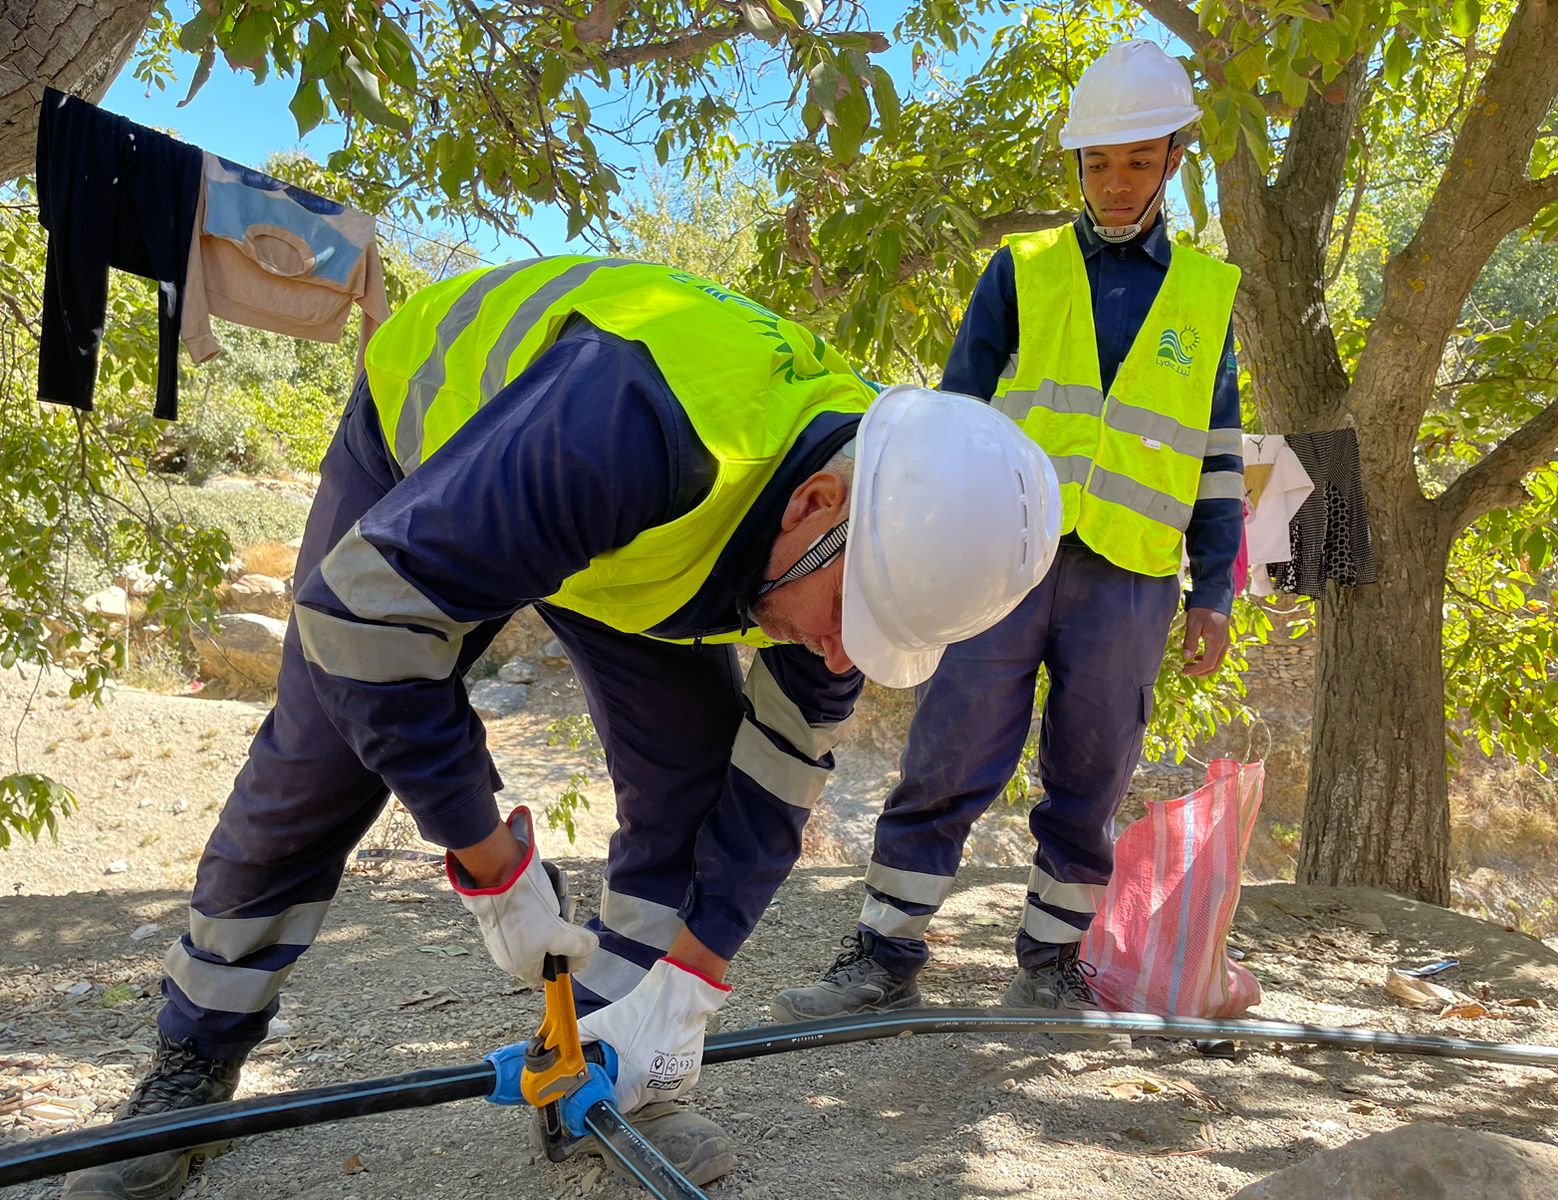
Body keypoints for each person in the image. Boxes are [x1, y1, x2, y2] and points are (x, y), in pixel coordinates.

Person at [62, 257, 1061, 1199]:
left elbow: (778, 772)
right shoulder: (629, 432)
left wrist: (694, 980)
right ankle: (194, 1056)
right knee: (318, 764)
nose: (844, 659)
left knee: (698, 778)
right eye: (850, 620)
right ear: (813, 503)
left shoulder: (869, 526)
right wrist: (491, 864)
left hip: (644, 534)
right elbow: (358, 624)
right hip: (448, 447)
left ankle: (606, 1072)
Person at [773, 40, 1245, 1029]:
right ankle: (885, 950)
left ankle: (1051, 961)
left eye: (1137, 160)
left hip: (1129, 578)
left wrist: (1211, 593)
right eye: (1097, 161)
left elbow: (1215, 460)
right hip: (998, 562)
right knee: (949, 753)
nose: (1115, 182)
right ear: (1075, 165)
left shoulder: (1207, 299)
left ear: (1171, 159)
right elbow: (951, 421)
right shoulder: (1018, 271)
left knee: (1091, 772)